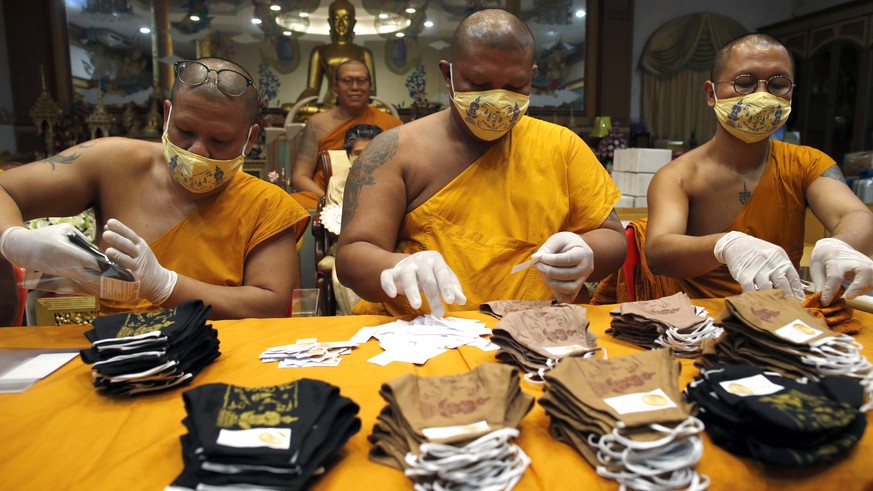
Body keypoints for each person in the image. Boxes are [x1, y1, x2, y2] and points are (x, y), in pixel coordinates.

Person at [336, 9, 626, 318]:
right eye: (478, 83)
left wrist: (585, 251)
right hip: (423, 332)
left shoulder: (563, 146)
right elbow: (353, 256)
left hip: (538, 332)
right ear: (447, 75)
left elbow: (612, 238)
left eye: (515, 87)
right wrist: (397, 268)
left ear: (532, 75)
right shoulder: (393, 151)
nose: (497, 99)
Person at [0, 57, 311, 320]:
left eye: (220, 141)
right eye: (185, 131)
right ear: (167, 115)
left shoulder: (266, 204)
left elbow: (268, 304)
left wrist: (165, 285)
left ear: (251, 138)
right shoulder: (113, 163)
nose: (198, 151)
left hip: (217, 352)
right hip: (111, 353)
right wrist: (17, 240)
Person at [646, 33, 873, 307]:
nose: (762, 96)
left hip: (785, 317)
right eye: (745, 83)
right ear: (710, 94)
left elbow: (854, 214)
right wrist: (725, 246)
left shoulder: (807, 163)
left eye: (778, 85)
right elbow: (659, 253)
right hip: (705, 320)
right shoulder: (679, 176)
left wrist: (841, 245)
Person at [290, 60, 402, 210]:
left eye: (361, 81)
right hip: (324, 198)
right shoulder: (318, 123)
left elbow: (399, 174)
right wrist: (329, 200)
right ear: (335, 86)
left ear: (370, 85)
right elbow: (300, 176)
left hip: (374, 199)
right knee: (291, 203)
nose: (355, 87)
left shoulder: (392, 125)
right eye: (347, 81)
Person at [296, 0, 377, 107]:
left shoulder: (364, 53)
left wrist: (356, 98)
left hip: (358, 107)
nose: (341, 23)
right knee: (288, 109)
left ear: (353, 23)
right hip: (329, 105)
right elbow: (312, 88)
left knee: (388, 109)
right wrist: (298, 105)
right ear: (330, 22)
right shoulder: (320, 51)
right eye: (336, 18)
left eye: (346, 18)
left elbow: (371, 89)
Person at [325, 124, 384, 208]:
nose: (365, 158)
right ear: (348, 155)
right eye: (358, 153)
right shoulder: (336, 183)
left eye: (371, 152)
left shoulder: (393, 180)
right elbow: (330, 217)